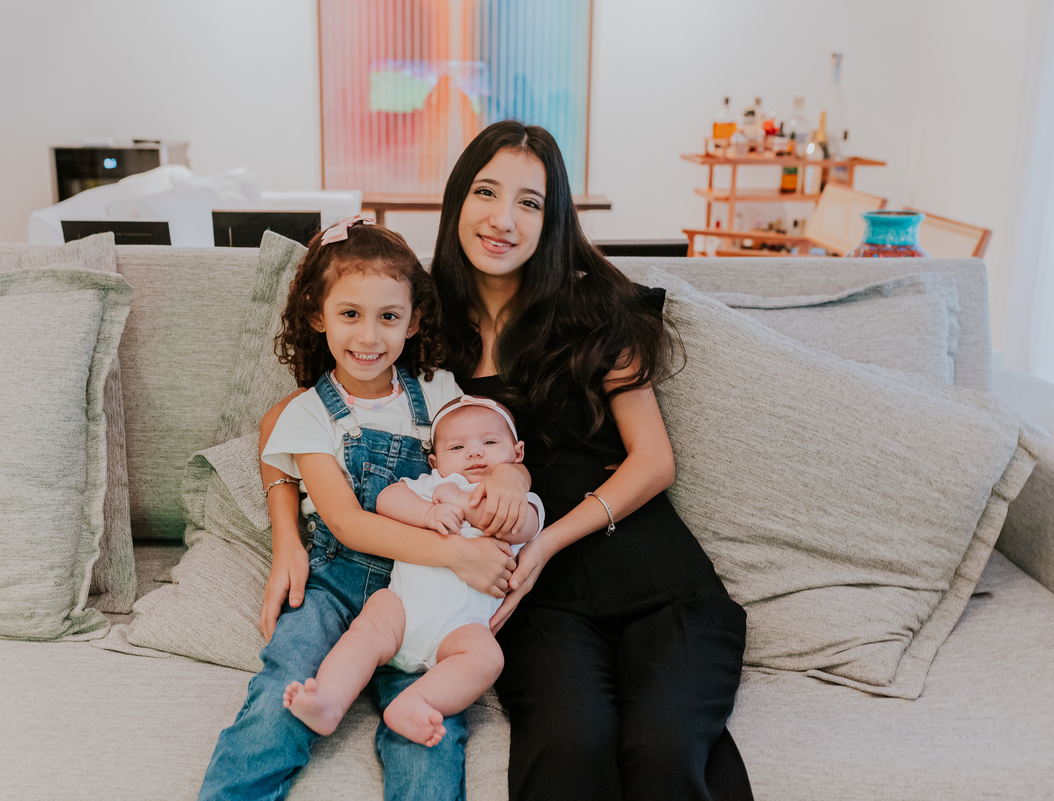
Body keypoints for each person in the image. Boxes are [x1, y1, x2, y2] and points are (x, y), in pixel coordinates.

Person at [429, 120, 754, 801]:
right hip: (538, 605)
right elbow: (320, 407)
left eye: (529, 202)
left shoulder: (592, 307)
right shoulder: (422, 325)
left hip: (656, 577)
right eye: (487, 192)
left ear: (552, 221)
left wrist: (548, 537)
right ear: (458, 199)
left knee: (664, 749)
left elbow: (653, 461)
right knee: (569, 746)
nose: (503, 219)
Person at [197, 216, 524, 801]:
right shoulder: (308, 415)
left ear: (414, 320)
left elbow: (493, 446)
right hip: (336, 583)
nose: (370, 336)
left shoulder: (441, 392)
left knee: (427, 729)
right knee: (284, 687)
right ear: (318, 315)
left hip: (421, 596)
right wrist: (457, 550)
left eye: (389, 317)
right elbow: (346, 522)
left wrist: (509, 474)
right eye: (350, 314)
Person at [282, 395, 544, 748]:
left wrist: (464, 501)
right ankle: (330, 699)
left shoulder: (520, 499)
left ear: (518, 453)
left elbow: (520, 529)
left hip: (459, 630)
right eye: (458, 446)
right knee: (368, 627)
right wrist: (427, 513)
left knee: (487, 658)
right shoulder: (430, 486)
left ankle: (416, 701)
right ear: (435, 461)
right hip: (401, 612)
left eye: (490, 442)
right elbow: (387, 498)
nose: (474, 453)